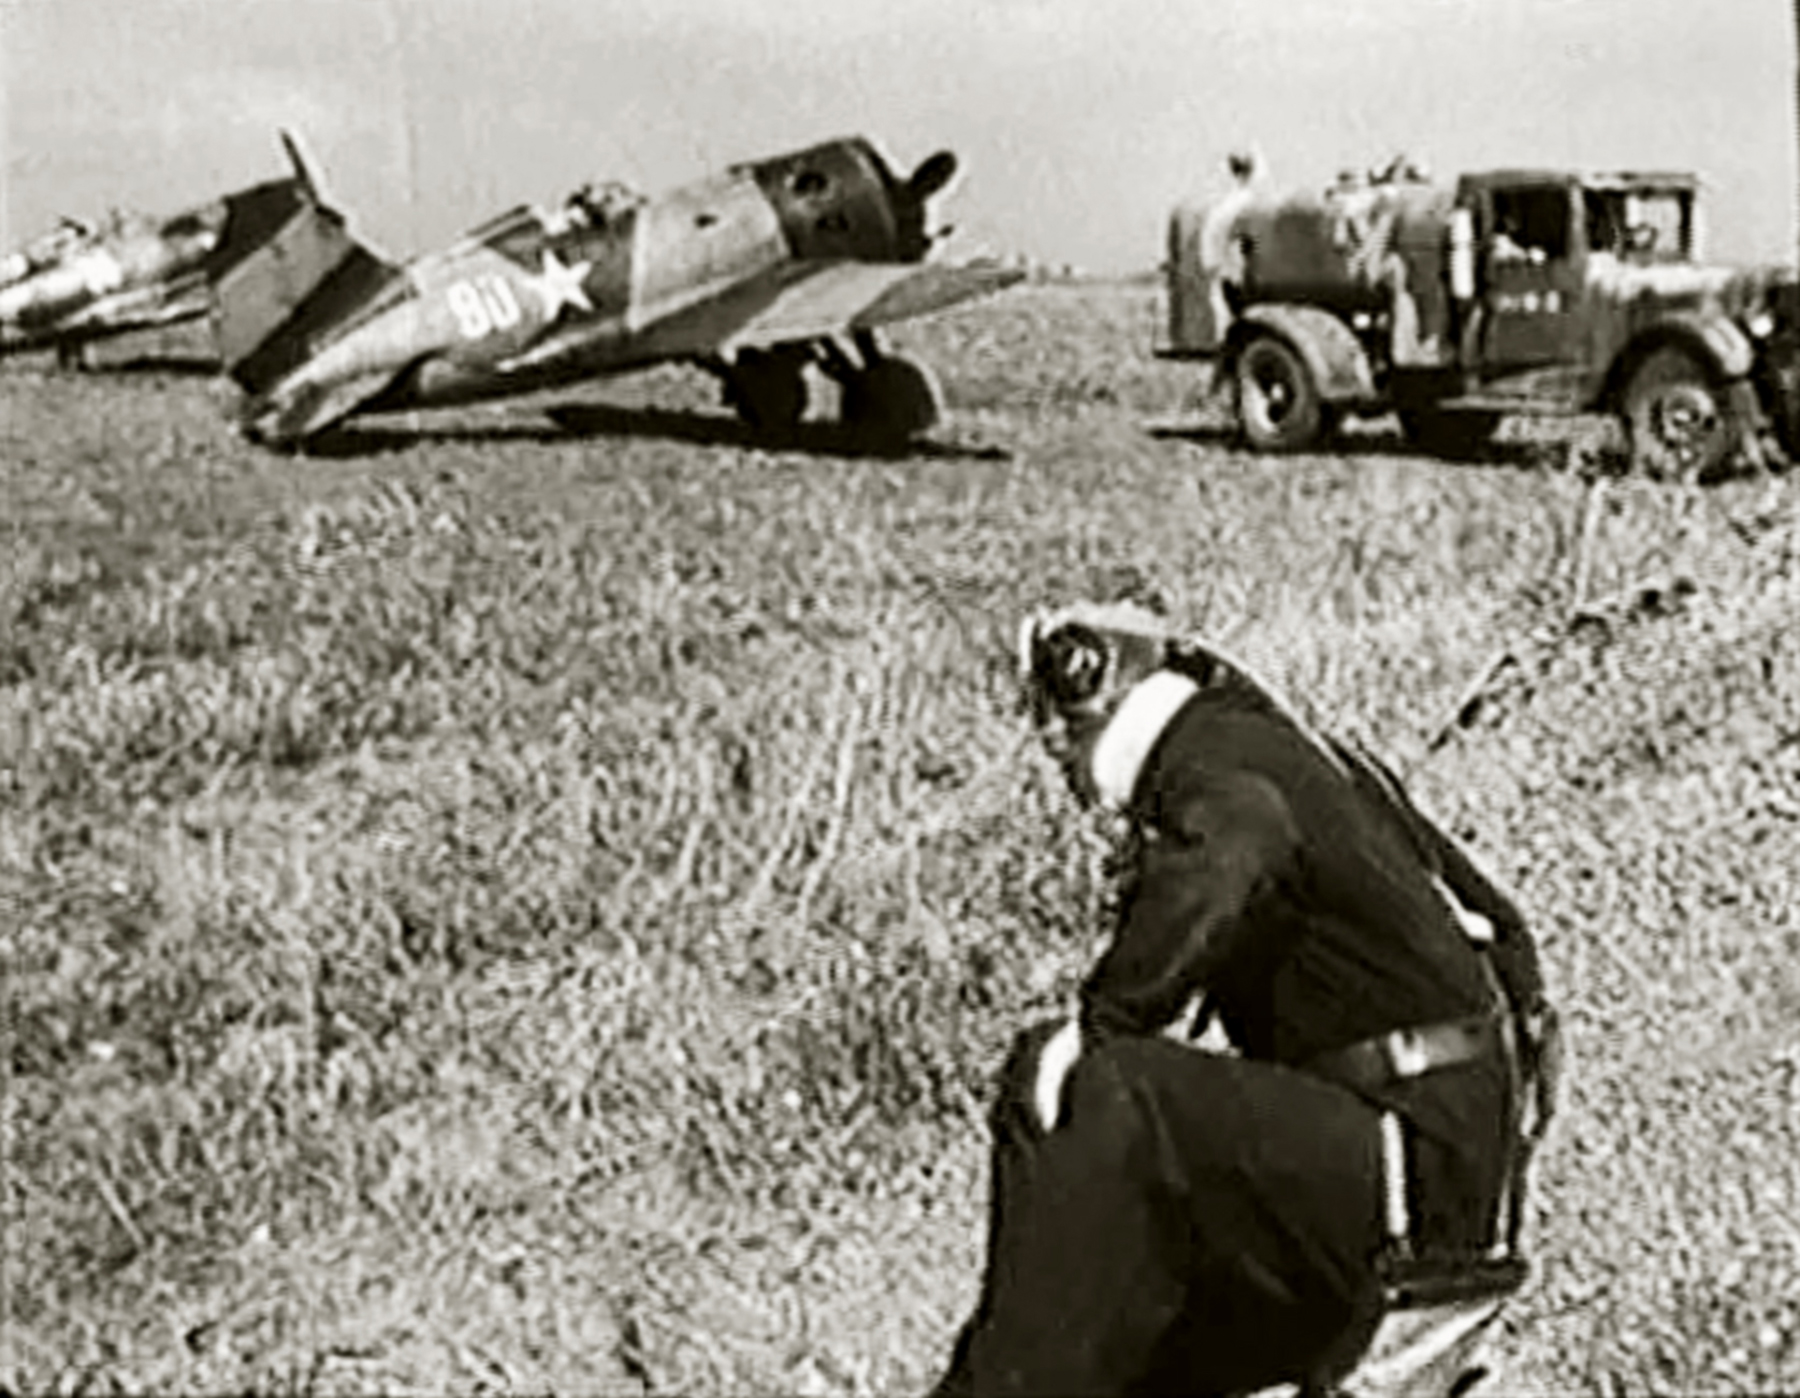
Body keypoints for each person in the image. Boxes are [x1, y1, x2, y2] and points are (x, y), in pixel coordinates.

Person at [933, 603, 1559, 1398]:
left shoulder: (1215, 765)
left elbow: (1242, 841)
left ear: (1087, 685)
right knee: (1133, 1333)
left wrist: (1107, 1019)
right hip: (1439, 1169)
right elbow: (1503, 934)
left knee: (1105, 1086)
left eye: (1050, 718)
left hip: (1407, 1169)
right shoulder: (1303, 756)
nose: (1051, 745)